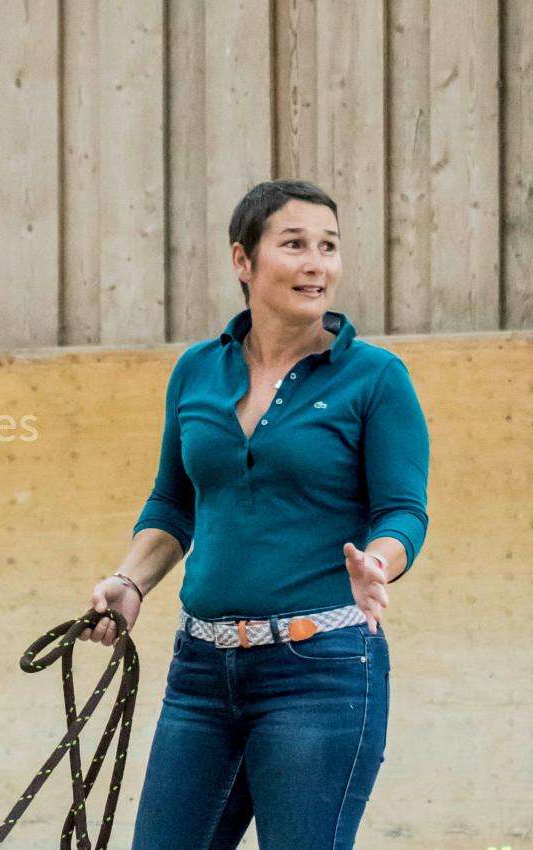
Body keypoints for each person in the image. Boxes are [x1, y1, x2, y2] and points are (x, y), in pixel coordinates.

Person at [81, 180, 430, 850]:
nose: (316, 263)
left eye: (328, 247)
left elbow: (403, 511)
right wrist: (128, 583)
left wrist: (378, 562)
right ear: (243, 261)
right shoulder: (195, 372)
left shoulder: (376, 378)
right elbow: (172, 504)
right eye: (294, 244)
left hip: (321, 671)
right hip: (200, 673)